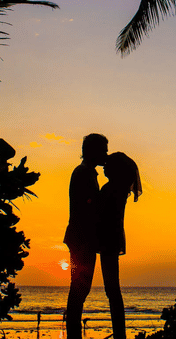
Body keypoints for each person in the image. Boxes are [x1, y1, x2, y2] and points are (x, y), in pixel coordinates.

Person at [64, 133, 108, 338]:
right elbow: (88, 207)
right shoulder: (83, 173)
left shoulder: (86, 172)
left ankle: (73, 332)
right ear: (93, 150)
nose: (106, 154)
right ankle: (73, 334)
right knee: (80, 288)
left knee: (81, 288)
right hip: (82, 239)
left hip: (82, 238)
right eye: (104, 149)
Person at [97, 152, 142, 339]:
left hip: (108, 239)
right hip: (111, 238)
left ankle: (119, 335)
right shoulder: (119, 188)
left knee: (112, 289)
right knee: (112, 289)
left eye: (108, 164)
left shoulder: (113, 188)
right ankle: (119, 334)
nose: (104, 166)